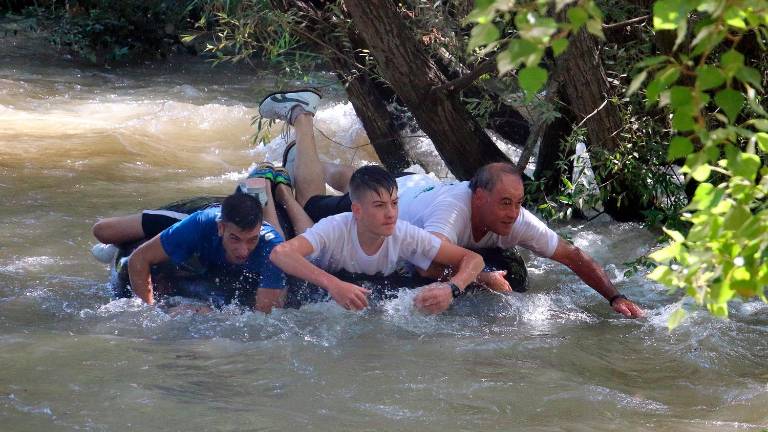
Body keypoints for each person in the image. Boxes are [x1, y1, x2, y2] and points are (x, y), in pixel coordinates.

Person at [261, 89, 645, 319]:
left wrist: (616, 297)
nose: (513, 213)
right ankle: (302, 117)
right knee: (313, 201)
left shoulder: (518, 219)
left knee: (363, 179)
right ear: (479, 198)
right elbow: (429, 267)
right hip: (404, 198)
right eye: (505, 204)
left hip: (407, 189)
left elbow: (573, 255)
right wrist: (481, 279)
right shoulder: (450, 214)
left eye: (519, 203)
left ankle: (311, 160)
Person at [268, 165, 485, 314]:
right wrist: (334, 285)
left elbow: (473, 258)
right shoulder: (335, 227)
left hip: (364, 280)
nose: (391, 213)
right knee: (291, 232)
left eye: (394, 203)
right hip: (322, 269)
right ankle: (280, 192)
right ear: (358, 210)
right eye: (380, 206)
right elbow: (280, 253)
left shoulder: (404, 233)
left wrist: (452, 288)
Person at [121, 192, 286, 313]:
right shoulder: (201, 223)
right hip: (199, 215)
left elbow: (264, 317)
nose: (243, 251)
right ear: (221, 228)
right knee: (103, 231)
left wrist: (209, 313)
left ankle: (272, 186)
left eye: (252, 240)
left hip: (260, 248)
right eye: (235, 239)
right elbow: (138, 259)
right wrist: (151, 311)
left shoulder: (272, 249)